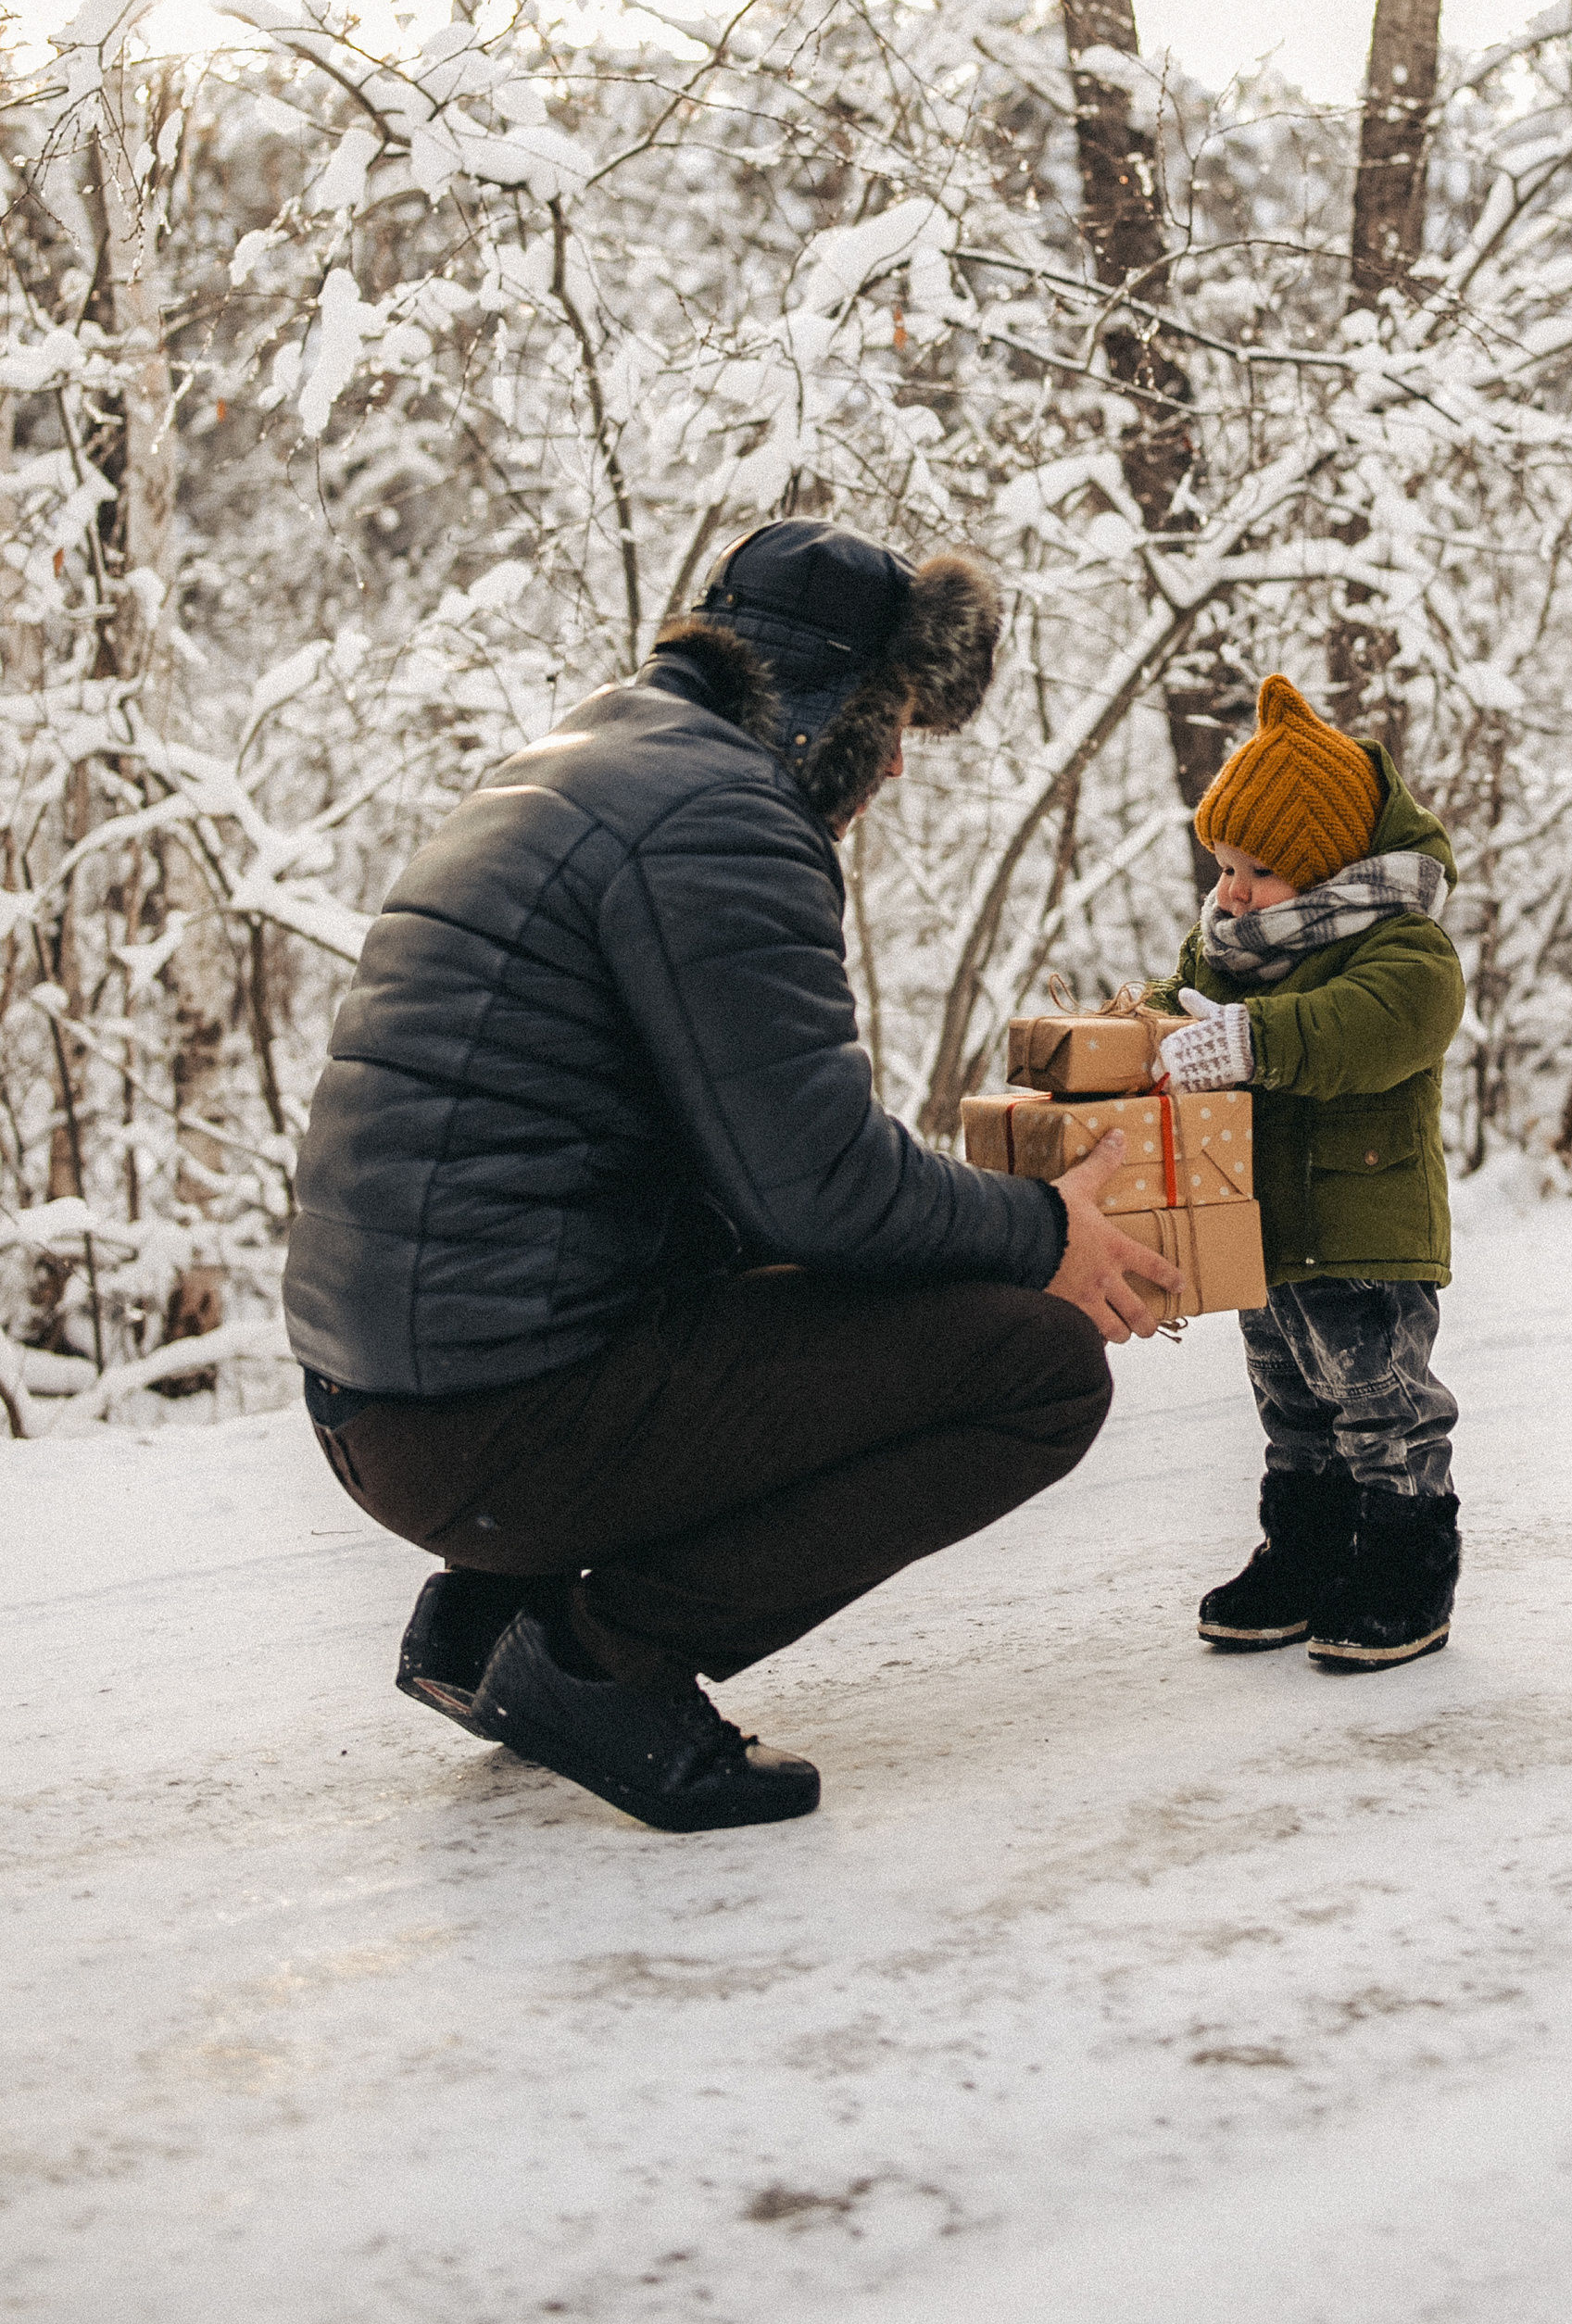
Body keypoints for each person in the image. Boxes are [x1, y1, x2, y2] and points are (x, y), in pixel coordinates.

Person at [283, 521, 1179, 1832]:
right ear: (839, 708)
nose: (890, 773)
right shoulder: (723, 820)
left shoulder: (583, 764)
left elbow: (742, 1173)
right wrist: (1046, 1231)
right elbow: (820, 1186)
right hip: (484, 1426)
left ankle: (493, 1618)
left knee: (827, 1276)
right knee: (1036, 1369)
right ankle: (600, 1662)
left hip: (387, 1404)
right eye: (895, 726)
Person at [1143, 673, 1467, 1672]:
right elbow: (1171, 1014)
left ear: (1330, 868)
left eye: (1261, 870)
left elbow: (1367, 1027)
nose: (1232, 892)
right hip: (1264, 1232)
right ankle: (1307, 1551)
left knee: (1380, 1403)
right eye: (1225, 866)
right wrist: (1132, 1036)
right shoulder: (1225, 954)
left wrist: (1250, 1041)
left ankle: (1405, 1564)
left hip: (1365, 1233)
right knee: (1290, 1404)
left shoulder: (1406, 949)